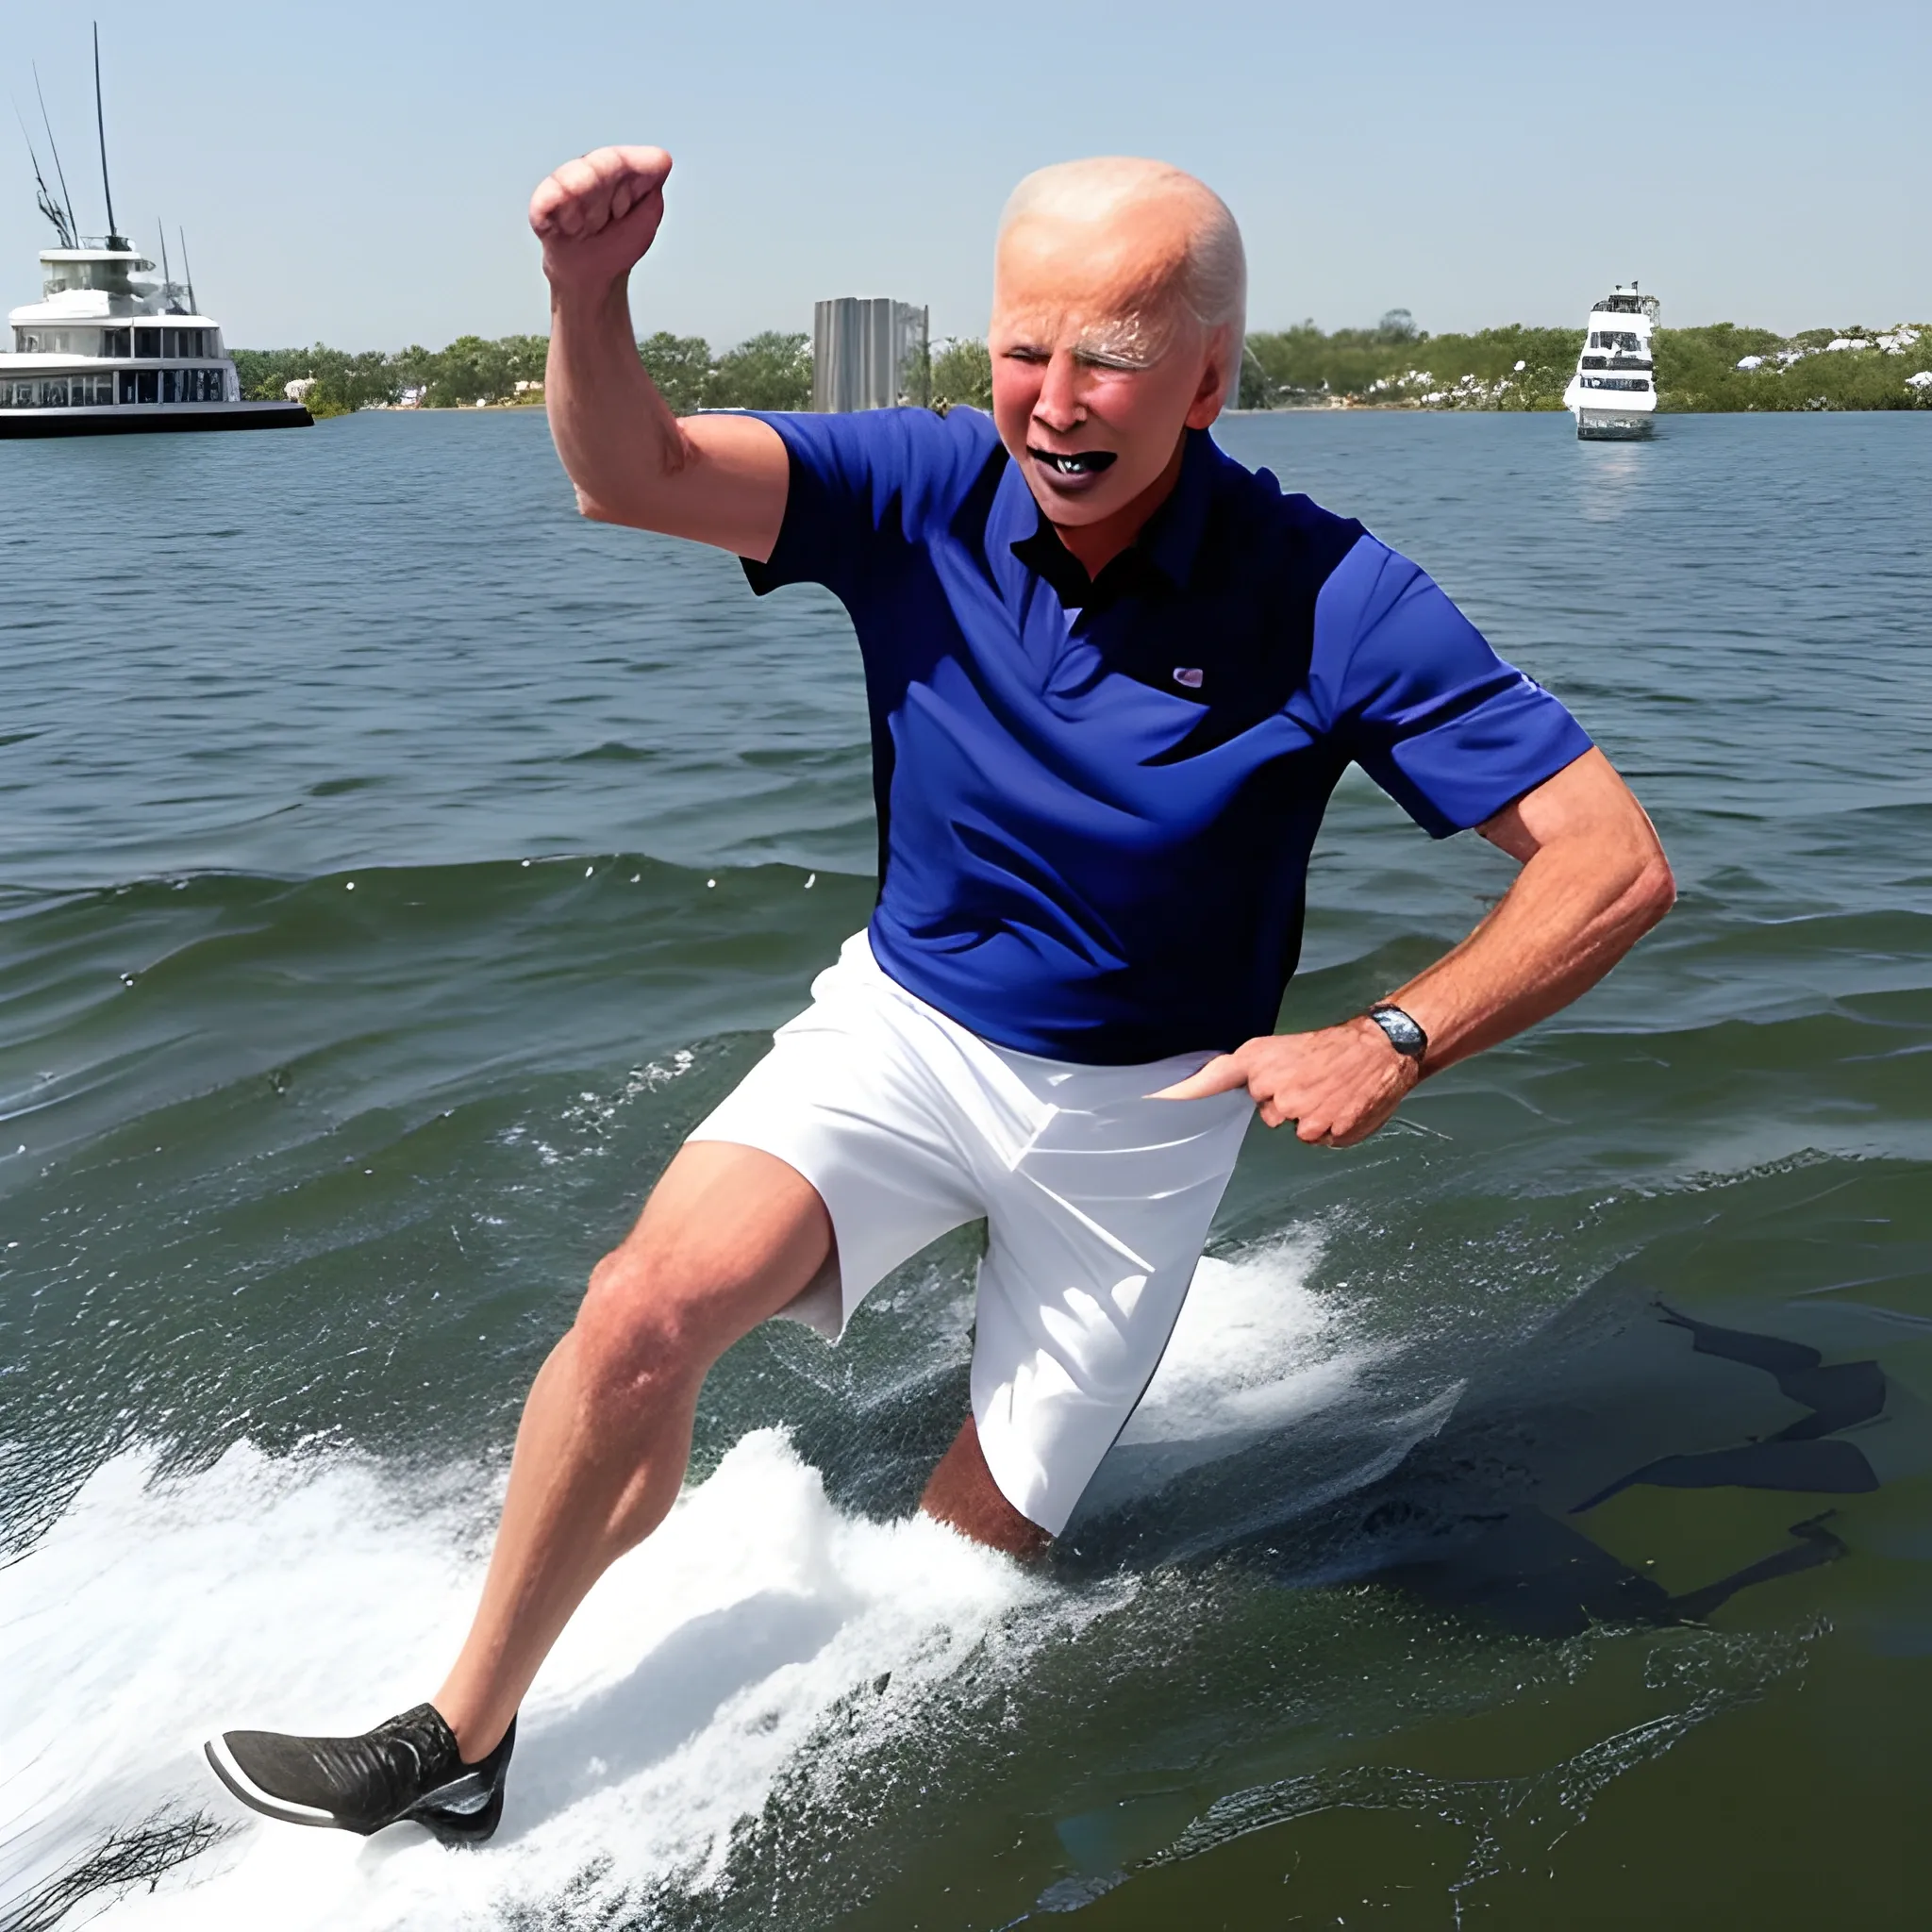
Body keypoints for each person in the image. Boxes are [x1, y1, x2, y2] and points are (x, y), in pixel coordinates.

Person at [204, 146, 1675, 1844]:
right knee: (639, 1311)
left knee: (965, 1565)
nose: (1053, 405)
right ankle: (466, 1731)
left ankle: (801, 1794)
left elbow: (1609, 859)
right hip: (903, 1036)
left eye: (1108, 357)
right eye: (1021, 349)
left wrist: (1394, 1035)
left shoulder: (1334, 594)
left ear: (1207, 375)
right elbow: (634, 474)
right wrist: (587, 295)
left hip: (1145, 1120)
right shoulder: (918, 486)